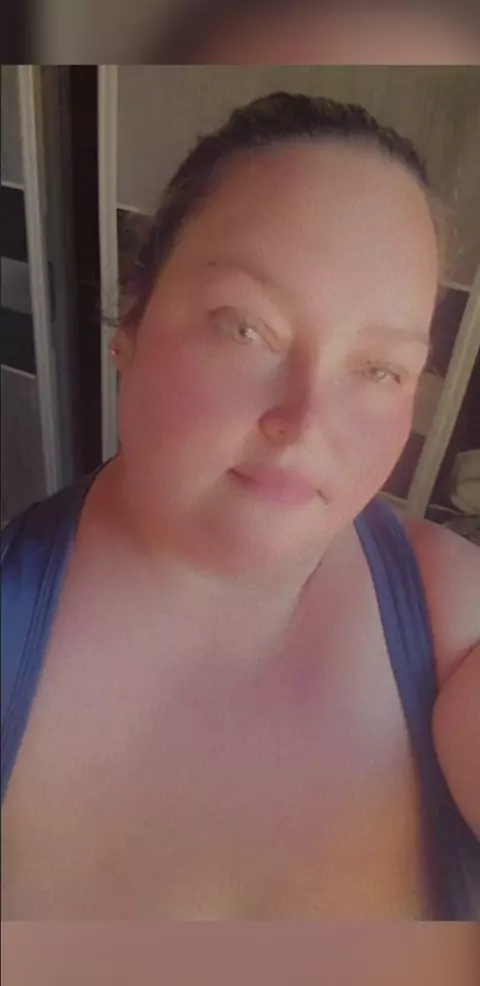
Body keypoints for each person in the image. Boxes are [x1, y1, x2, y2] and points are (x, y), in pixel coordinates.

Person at [1, 92, 479, 920]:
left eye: (378, 368)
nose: (304, 420)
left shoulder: (457, 626)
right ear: (133, 317)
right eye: (245, 327)